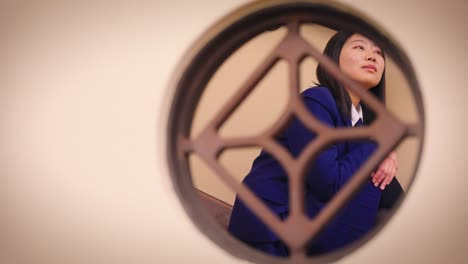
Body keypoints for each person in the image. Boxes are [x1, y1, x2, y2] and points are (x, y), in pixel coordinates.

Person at [227, 31, 403, 256]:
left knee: (385, 185)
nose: (372, 56)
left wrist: (383, 150)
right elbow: (328, 183)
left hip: (305, 219)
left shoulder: (360, 125)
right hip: (271, 226)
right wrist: (379, 146)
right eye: (360, 48)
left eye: (378, 52)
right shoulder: (316, 99)